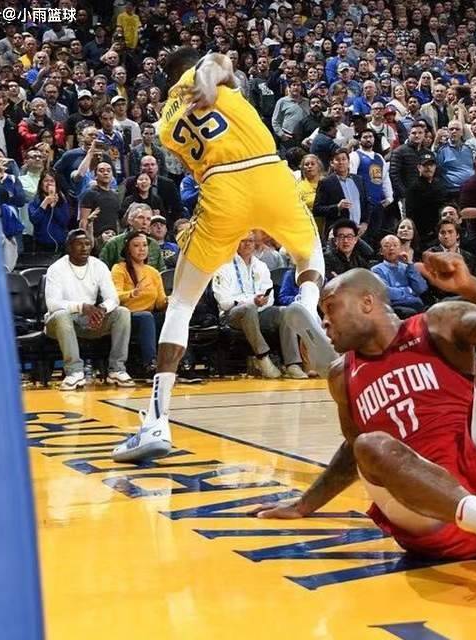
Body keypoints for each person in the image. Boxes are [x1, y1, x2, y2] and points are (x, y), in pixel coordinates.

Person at [254, 254, 476, 580]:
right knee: (369, 445)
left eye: (330, 308)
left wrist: (471, 286)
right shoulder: (342, 375)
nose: (324, 321)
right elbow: (354, 452)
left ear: (367, 302)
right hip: (433, 516)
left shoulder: (437, 323)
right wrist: (304, 504)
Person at [113, 48, 325, 463]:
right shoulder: (206, 74)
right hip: (268, 172)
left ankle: (156, 419)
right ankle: (308, 303)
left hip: (220, 189)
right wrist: (210, 80)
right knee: (309, 252)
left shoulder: (165, 122)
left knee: (181, 304)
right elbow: (219, 63)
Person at [44, 229, 135, 391]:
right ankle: (74, 372)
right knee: (61, 315)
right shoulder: (56, 269)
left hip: (91, 321)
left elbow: (113, 298)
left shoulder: (98, 266)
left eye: (87, 244)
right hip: (59, 323)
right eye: (79, 244)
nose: (85, 248)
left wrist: (102, 309)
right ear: (69, 247)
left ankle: (117, 369)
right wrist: (81, 307)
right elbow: (52, 304)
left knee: (122, 312)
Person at [212, 233, 308, 380]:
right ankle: (263, 358)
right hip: (231, 315)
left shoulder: (261, 266)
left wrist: (262, 302)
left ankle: (292, 364)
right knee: (248, 308)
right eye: (243, 240)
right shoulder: (223, 266)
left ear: (255, 243)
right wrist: (252, 301)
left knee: (286, 311)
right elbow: (224, 302)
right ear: (235, 243)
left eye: (250, 241)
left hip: (259, 312)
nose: (247, 244)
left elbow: (270, 297)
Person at [111, 230, 167, 377]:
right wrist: (131, 293)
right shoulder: (119, 269)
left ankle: (181, 363)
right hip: (127, 317)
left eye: (144, 245)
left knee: (173, 316)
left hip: (149, 315)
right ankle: (150, 364)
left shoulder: (153, 272)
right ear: (128, 249)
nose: (142, 249)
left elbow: (160, 303)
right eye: (136, 245)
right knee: (146, 317)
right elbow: (115, 296)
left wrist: (170, 301)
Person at [371, 235, 428, 317]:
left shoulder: (407, 267)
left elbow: (421, 288)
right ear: (381, 251)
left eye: (395, 245)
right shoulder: (377, 270)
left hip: (416, 304)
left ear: (401, 249)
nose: (391, 248)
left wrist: (410, 264)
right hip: (395, 307)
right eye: (386, 246)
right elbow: (386, 292)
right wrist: (409, 290)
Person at [28, 171, 70, 253]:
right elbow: (34, 220)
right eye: (46, 181)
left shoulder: (62, 201)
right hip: (41, 244)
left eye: (52, 181)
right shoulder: (34, 201)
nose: (49, 183)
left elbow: (64, 221)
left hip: (60, 243)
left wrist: (54, 207)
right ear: (41, 184)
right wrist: (45, 203)